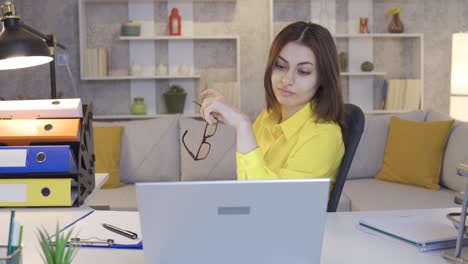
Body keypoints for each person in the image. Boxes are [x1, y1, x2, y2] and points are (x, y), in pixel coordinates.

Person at [199, 21, 345, 187]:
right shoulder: (267, 117)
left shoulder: (324, 136)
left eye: (303, 71)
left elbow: (269, 202)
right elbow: (247, 186)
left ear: (323, 79)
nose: (287, 80)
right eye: (281, 66)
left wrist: (242, 124)